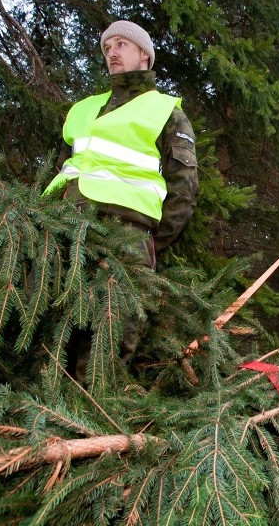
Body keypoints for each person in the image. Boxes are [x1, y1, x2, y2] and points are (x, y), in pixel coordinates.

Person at [43, 20, 198, 383]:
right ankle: (46, 407)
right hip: (66, 224)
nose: (112, 52)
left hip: (127, 232)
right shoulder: (83, 109)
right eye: (107, 47)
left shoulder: (165, 111)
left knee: (112, 333)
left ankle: (90, 414)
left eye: (121, 45)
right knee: (57, 319)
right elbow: (61, 168)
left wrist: (149, 245)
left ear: (144, 53)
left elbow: (184, 189)